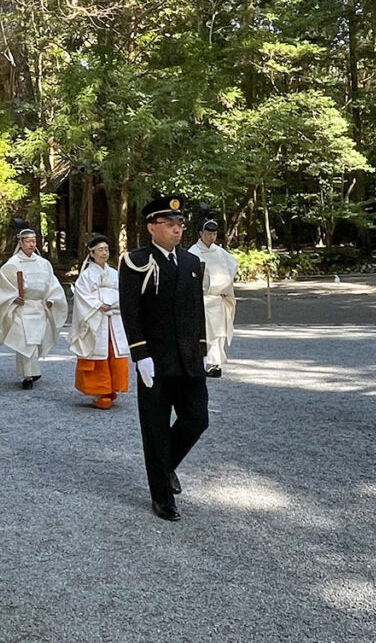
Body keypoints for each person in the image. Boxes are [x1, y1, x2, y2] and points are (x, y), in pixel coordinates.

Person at [119, 195, 209, 522]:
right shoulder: (136, 261)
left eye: (180, 224)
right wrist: (140, 353)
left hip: (188, 360)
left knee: (198, 419)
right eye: (170, 224)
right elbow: (131, 311)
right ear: (151, 227)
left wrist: (202, 348)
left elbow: (195, 311)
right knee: (156, 429)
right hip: (155, 361)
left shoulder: (189, 262)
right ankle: (161, 497)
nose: (177, 229)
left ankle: (165, 465)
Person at [0, 226, 68, 389]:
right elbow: (5, 286)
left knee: (36, 341)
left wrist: (51, 298)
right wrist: (13, 298)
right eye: (28, 242)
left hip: (39, 306)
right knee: (25, 341)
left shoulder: (43, 263)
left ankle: (31, 370)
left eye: (34, 241)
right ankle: (28, 376)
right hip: (22, 308)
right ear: (21, 243)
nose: (32, 245)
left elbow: (52, 284)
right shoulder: (12, 264)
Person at [68, 234, 129, 409]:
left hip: (114, 318)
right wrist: (97, 305)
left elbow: (123, 292)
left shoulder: (114, 273)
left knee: (114, 352)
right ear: (92, 253)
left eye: (106, 249)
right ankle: (101, 391)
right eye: (100, 250)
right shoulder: (86, 275)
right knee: (98, 353)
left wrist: (114, 304)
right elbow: (82, 296)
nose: (104, 253)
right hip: (96, 319)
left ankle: (112, 388)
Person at [188, 219, 238, 377]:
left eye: (214, 234)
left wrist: (225, 288)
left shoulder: (220, 252)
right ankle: (205, 363)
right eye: (208, 233)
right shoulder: (193, 252)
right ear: (201, 234)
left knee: (218, 334)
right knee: (205, 333)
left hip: (219, 300)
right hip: (202, 300)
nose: (211, 237)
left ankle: (215, 364)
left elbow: (232, 267)